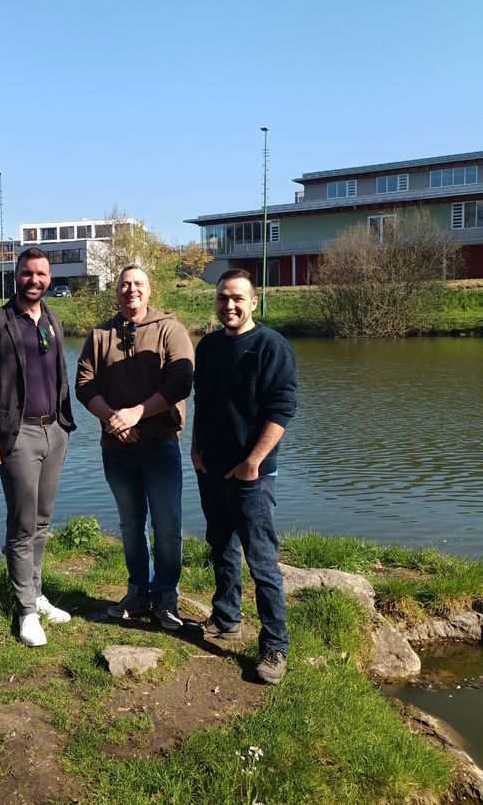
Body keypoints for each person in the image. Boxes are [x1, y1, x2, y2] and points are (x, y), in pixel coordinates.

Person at [0, 248, 76, 647]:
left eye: (41, 274)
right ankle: (26, 612)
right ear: (16, 276)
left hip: (54, 432)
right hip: (16, 436)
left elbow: (58, 374)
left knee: (43, 521)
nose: (35, 280)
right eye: (27, 273)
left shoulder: (50, 319)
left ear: (50, 278)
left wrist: (64, 424)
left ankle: (37, 593)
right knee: (22, 524)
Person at [192, 268, 297, 685]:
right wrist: (197, 449)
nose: (229, 305)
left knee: (261, 559)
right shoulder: (210, 346)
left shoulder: (273, 346)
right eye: (222, 298)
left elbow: (282, 409)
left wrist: (253, 462)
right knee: (220, 545)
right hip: (212, 467)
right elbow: (202, 400)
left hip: (253, 472)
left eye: (237, 298)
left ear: (254, 301)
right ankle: (227, 618)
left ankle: (275, 645)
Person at [76, 265, 193, 629]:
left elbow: (181, 381)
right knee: (130, 523)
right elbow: (84, 384)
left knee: (167, 523)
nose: (131, 290)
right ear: (116, 291)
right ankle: (138, 591)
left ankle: (166, 595)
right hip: (116, 449)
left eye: (138, 283)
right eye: (125, 284)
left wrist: (136, 414)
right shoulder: (99, 335)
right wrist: (114, 419)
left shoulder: (169, 329)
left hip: (160, 445)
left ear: (150, 289)